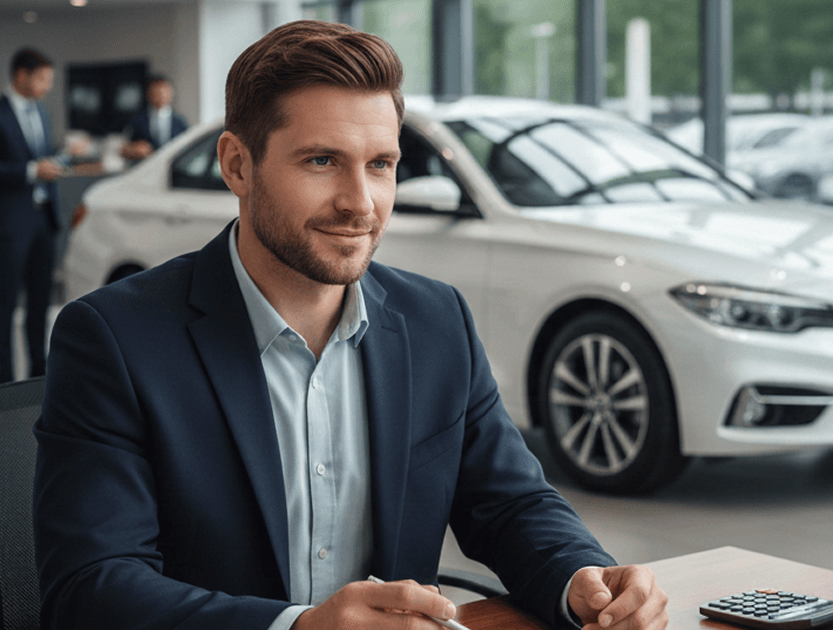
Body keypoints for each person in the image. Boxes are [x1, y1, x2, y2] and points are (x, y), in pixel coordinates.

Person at [33, 20, 669, 630]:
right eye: (320, 162)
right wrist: (298, 627)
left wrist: (584, 579)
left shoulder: (436, 322)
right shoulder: (115, 339)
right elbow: (91, 588)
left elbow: (511, 504)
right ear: (237, 166)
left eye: (381, 165)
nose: (360, 203)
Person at [0, 48, 65, 383]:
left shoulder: (42, 113)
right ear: (22, 75)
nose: (47, 86)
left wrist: (60, 158)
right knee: (7, 299)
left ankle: (37, 372)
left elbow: (42, 158)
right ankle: (4, 377)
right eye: (43, 78)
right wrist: (32, 170)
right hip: (11, 220)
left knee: (40, 298)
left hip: (41, 220)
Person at [120, 74, 189, 161]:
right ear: (148, 94)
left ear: (171, 93)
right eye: (156, 92)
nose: (161, 95)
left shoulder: (180, 121)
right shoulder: (137, 120)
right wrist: (134, 150)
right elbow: (124, 148)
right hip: (145, 167)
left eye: (164, 91)